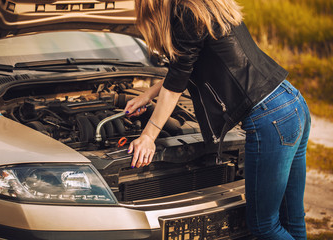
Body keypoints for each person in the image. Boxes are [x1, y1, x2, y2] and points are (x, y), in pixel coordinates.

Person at [124, 0, 311, 239]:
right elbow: (185, 68)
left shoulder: (185, 13)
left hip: (269, 116)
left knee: (264, 225)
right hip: (291, 102)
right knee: (292, 218)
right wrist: (147, 95)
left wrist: (148, 135)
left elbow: (177, 82)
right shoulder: (203, 6)